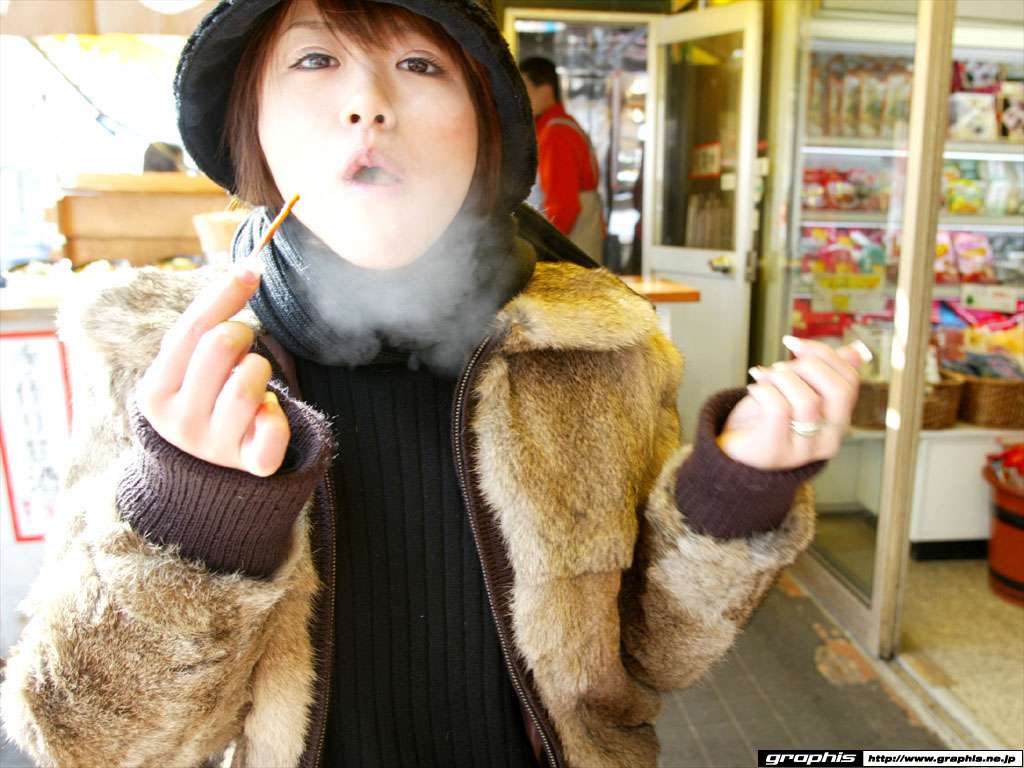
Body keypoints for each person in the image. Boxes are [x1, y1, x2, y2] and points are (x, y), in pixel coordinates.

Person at [0, 1, 867, 767]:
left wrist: (735, 489)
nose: (368, 104)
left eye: (420, 64)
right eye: (315, 58)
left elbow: (649, 659)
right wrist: (190, 510)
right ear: (249, 118)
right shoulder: (165, 363)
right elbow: (94, 745)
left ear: (486, 126)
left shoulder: (597, 349)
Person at [519, 56, 605, 263]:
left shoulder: (556, 133)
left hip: (569, 245)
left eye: (523, 89)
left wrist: (543, 251)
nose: (519, 98)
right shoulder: (559, 125)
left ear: (546, 90)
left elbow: (563, 207)